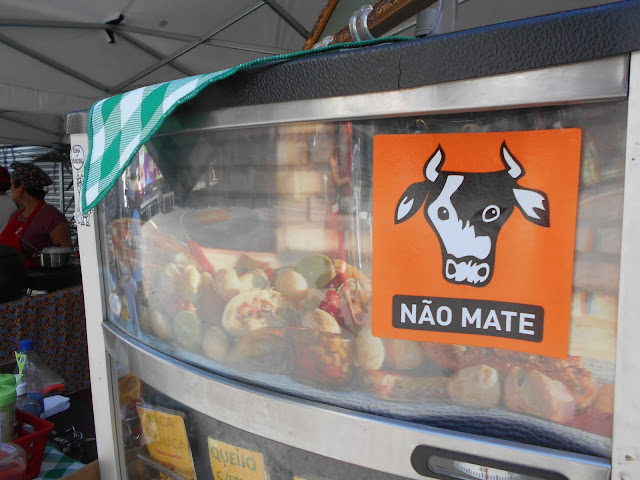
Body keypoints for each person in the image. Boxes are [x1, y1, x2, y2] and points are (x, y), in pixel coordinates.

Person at [0, 162, 71, 268]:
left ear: (21, 186)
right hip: (11, 275)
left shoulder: (52, 218)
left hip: (38, 277)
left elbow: (65, 258)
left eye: (12, 185)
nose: (10, 190)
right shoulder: (16, 214)